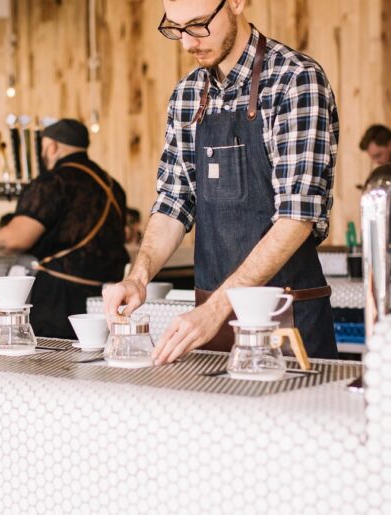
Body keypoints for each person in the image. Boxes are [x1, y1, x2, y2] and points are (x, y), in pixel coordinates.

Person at [103, 0, 339, 364]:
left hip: (285, 323)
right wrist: (138, 275)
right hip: (210, 323)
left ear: (236, 4)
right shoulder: (187, 96)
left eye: (198, 25)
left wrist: (216, 310)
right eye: (176, 28)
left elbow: (297, 218)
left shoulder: (295, 80)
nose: (187, 43)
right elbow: (173, 202)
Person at [0, 119, 129, 339]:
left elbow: (12, 240)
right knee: (94, 365)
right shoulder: (112, 185)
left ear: (52, 147)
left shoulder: (54, 182)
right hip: (106, 299)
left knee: (51, 365)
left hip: (59, 300)